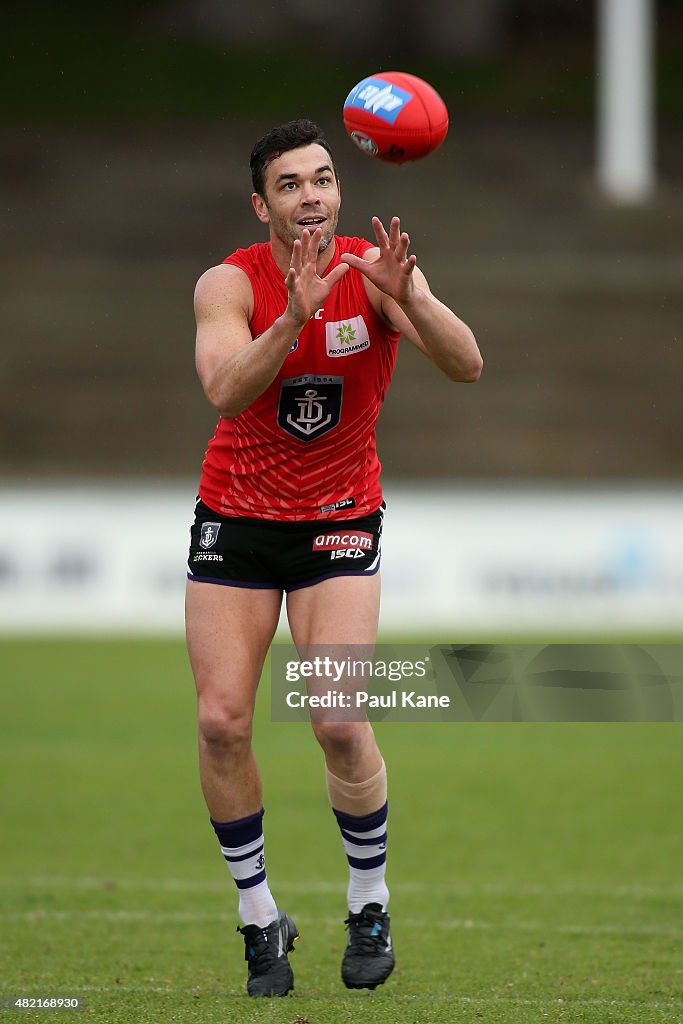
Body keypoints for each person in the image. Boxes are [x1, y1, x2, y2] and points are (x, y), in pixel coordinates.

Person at [185, 118, 482, 998]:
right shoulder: (227, 282)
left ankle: (369, 903)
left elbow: (467, 366)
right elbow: (224, 389)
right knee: (221, 723)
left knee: (340, 722)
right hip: (234, 518)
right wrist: (291, 319)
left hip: (339, 521)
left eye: (322, 178)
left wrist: (411, 299)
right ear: (261, 203)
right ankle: (257, 917)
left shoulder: (373, 269)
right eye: (290, 183)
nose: (311, 194)